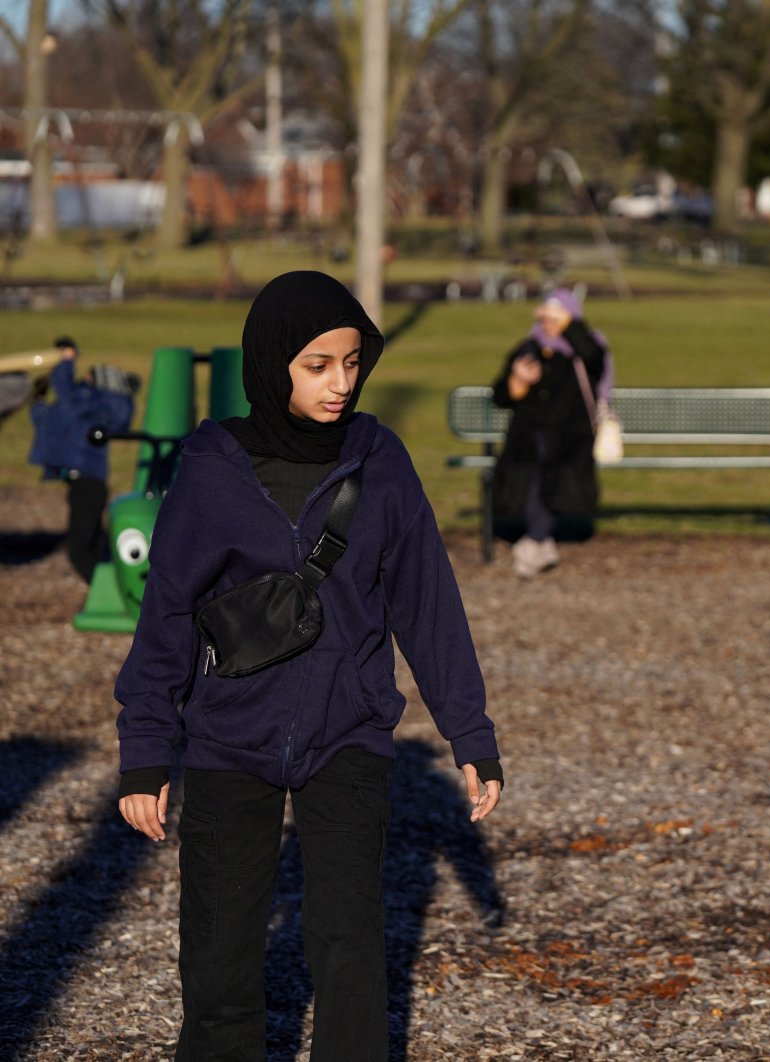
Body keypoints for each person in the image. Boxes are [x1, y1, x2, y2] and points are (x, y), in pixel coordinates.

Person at [114, 271, 503, 1062]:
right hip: (228, 738)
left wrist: (471, 733)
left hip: (348, 735)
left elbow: (427, 603)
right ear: (272, 366)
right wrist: (146, 752)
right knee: (220, 959)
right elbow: (167, 617)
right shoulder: (212, 469)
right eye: (317, 365)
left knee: (350, 949)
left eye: (353, 362)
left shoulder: (380, 460)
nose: (341, 384)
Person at [490, 288, 614, 577]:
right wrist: (517, 381)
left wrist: (568, 326)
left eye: (556, 317)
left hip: (571, 437)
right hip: (527, 436)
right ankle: (539, 540)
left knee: (551, 467)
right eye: (545, 316)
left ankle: (534, 540)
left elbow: (594, 356)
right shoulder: (530, 347)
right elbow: (500, 396)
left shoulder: (586, 348)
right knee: (535, 464)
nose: (549, 323)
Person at [27, 336, 137, 582]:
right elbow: (52, 423)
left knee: (79, 551)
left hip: (88, 485)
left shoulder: (95, 404)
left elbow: (67, 394)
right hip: (83, 484)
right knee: (91, 548)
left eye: (89, 378)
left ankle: (106, 593)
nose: (83, 380)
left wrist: (66, 360)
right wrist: (38, 402)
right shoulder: (91, 411)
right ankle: (105, 590)